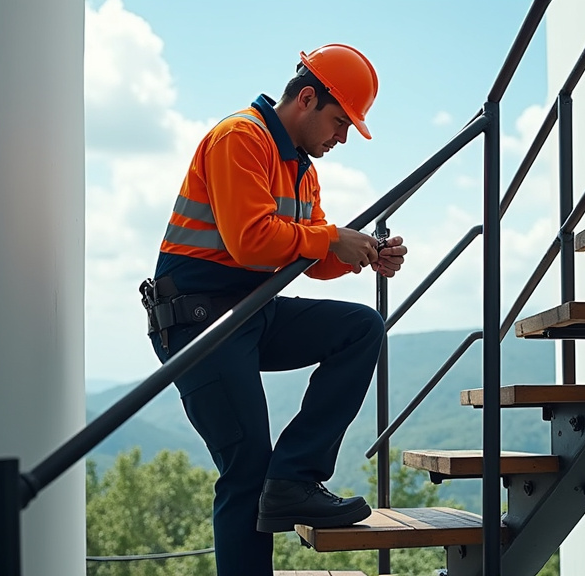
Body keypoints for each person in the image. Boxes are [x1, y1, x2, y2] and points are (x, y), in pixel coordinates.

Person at [140, 44, 407, 576]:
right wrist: (332, 237)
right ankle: (277, 486)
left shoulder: (301, 170)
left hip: (251, 313)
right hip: (199, 325)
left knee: (361, 328)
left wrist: (361, 255)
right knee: (245, 471)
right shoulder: (240, 138)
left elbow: (308, 258)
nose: (342, 137)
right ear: (306, 99)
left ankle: (295, 479)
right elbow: (251, 242)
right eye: (339, 122)